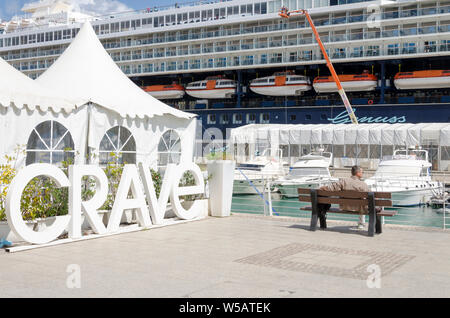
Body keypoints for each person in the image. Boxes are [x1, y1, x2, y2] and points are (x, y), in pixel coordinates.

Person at [318, 165, 369, 230]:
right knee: (363, 201)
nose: (362, 173)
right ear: (358, 173)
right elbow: (370, 195)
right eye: (362, 172)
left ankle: (361, 224)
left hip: (344, 207)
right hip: (358, 208)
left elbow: (330, 188)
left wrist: (323, 187)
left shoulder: (343, 181)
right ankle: (361, 224)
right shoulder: (363, 184)